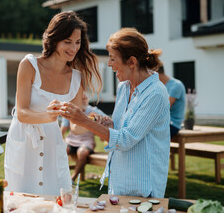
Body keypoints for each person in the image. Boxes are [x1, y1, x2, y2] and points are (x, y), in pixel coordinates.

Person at [60, 28, 170, 198]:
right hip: (119, 181)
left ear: (131, 62)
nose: (109, 64)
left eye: (112, 58)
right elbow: (120, 129)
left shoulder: (155, 93)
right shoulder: (124, 87)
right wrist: (109, 124)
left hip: (143, 188)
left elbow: (126, 139)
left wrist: (84, 121)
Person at [4, 11, 102, 196]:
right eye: (68, 42)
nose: (74, 48)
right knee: (19, 201)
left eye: (78, 42)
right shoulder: (30, 65)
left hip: (51, 143)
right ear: (54, 39)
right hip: (24, 141)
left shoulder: (76, 78)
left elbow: (74, 127)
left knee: (55, 199)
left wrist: (89, 120)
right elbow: (22, 112)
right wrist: (48, 116)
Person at [61, 93, 107, 182]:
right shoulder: (70, 111)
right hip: (71, 140)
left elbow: (106, 121)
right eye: (81, 99)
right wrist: (61, 141)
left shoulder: (93, 111)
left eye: (85, 98)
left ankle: (72, 179)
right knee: (62, 150)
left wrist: (102, 133)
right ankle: (62, 176)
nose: (83, 100)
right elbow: (62, 130)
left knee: (81, 153)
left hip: (87, 141)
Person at [157, 66, 186, 138]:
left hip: (173, 124)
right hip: (162, 122)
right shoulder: (159, 86)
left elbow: (164, 108)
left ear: (155, 72)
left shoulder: (176, 85)